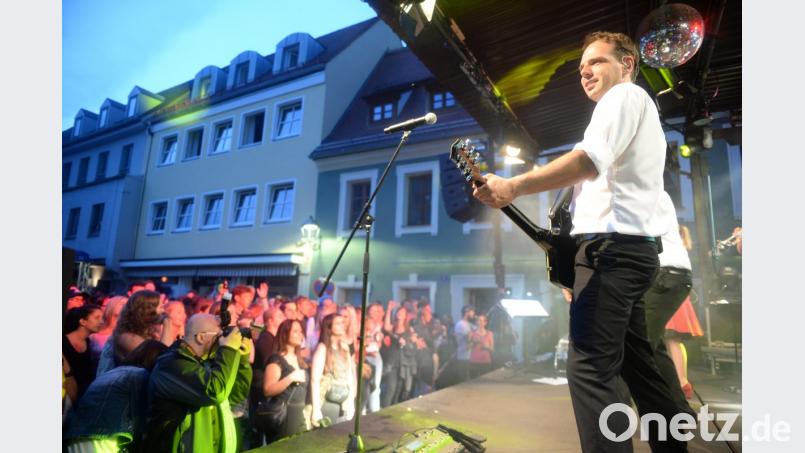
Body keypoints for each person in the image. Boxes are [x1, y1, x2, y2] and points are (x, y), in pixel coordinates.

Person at [472, 31, 686, 452]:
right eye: (581, 66)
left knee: (590, 369)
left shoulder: (624, 97)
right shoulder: (632, 109)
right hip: (629, 252)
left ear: (627, 65)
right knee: (640, 368)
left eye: (597, 61)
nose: (585, 70)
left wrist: (513, 186)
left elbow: (588, 162)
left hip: (614, 252)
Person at [144, 314, 252, 453]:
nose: (223, 341)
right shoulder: (173, 365)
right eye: (219, 336)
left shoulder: (205, 362)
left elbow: (236, 395)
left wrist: (241, 358)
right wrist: (229, 350)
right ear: (201, 337)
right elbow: (215, 392)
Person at [64, 340, 168, 453]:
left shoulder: (113, 372)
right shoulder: (139, 375)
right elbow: (139, 417)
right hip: (103, 439)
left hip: (77, 436)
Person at [662, 224, 704, 400]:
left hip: (670, 293)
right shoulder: (680, 247)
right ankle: (681, 380)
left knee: (672, 340)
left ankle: (681, 381)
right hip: (676, 293)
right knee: (672, 340)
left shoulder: (671, 246)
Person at [97, 290, 174, 376]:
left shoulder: (150, 332)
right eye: (160, 307)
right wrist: (167, 323)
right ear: (147, 310)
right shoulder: (126, 336)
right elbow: (162, 358)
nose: (163, 311)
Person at [261, 319, 309, 443]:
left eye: (301, 331)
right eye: (296, 331)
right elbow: (268, 389)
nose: (300, 334)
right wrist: (290, 378)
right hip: (284, 415)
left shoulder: (300, 359)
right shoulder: (276, 359)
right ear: (285, 334)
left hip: (299, 414)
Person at [311, 313, 356, 426]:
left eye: (343, 322)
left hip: (343, 401)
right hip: (328, 401)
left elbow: (349, 375)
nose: (342, 325)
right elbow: (314, 380)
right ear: (329, 327)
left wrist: (351, 401)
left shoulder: (345, 347)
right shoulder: (323, 348)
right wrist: (316, 410)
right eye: (338, 323)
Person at [63, 305, 104, 403]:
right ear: (83, 322)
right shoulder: (63, 342)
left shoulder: (89, 342)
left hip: (79, 396)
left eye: (102, 318)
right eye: (97, 318)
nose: (101, 322)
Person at [89, 295, 127, 363]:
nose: (126, 307)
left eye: (128, 304)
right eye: (123, 304)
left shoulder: (127, 334)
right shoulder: (95, 332)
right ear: (113, 305)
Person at [453, 305, 475, 385]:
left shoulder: (468, 324)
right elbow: (470, 338)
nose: (474, 314)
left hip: (468, 356)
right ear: (467, 312)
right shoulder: (461, 324)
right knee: (464, 381)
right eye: (472, 312)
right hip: (463, 357)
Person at [469, 313, 494, 378]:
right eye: (478, 320)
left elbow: (492, 349)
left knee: (485, 384)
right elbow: (467, 347)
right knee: (473, 384)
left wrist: (487, 347)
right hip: (474, 361)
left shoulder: (489, 333)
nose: (479, 322)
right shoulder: (472, 333)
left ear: (485, 323)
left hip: (485, 362)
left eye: (480, 320)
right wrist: (474, 343)